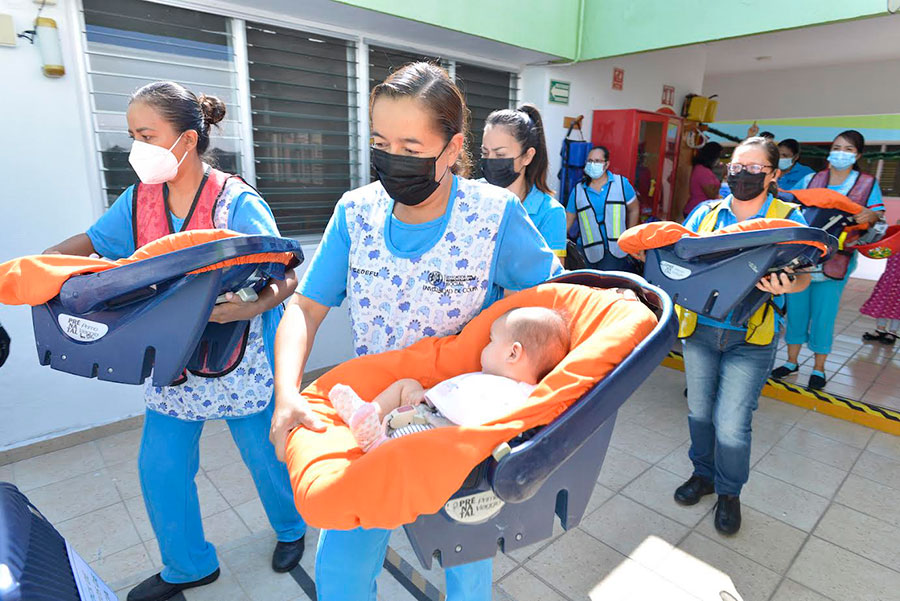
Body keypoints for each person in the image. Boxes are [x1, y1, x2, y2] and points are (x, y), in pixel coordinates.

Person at [269, 62, 562, 601]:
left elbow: (557, 306)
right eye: (381, 142)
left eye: (410, 145)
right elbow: (304, 309)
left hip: (458, 428)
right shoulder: (355, 211)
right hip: (376, 419)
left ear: (451, 149)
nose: (391, 160)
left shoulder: (493, 216)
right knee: (342, 570)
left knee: (465, 567)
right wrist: (287, 392)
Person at [43, 81, 307, 601]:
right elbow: (93, 242)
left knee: (264, 457)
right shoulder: (139, 199)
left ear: (186, 140)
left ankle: (292, 529)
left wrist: (255, 304)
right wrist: (35, 267)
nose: (135, 146)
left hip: (237, 359)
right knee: (160, 468)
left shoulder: (236, 201)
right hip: (171, 360)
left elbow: (288, 274)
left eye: (146, 134)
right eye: (131, 134)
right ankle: (188, 566)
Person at [673, 137, 811, 535]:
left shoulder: (789, 218)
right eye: (737, 167)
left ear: (773, 175)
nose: (743, 174)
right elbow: (683, 260)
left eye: (754, 168)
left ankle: (729, 493)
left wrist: (788, 285)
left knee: (732, 422)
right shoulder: (705, 214)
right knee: (699, 412)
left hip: (751, 337)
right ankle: (703, 476)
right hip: (700, 330)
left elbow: (803, 276)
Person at [330, 307, 570, 451]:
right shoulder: (490, 376)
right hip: (426, 410)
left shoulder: (521, 395)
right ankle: (369, 413)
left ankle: (376, 442)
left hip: (439, 431)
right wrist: (425, 396)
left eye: (491, 340)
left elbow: (490, 430)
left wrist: (436, 415)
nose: (484, 347)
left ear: (513, 353)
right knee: (407, 384)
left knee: (414, 445)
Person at [774, 130, 884, 389]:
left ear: (857, 155)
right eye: (837, 147)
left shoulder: (867, 184)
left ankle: (819, 368)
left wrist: (868, 216)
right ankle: (791, 361)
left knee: (824, 314)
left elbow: (877, 219)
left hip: (838, 260)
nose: (841, 153)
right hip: (802, 258)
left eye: (848, 149)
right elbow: (793, 209)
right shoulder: (813, 179)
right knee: (796, 310)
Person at [481, 104, 566, 259]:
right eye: (485, 153)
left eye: (500, 155)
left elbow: (554, 278)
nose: (491, 161)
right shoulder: (472, 196)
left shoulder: (550, 212)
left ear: (527, 156)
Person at [565, 145, 640, 271]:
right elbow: (568, 220)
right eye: (590, 161)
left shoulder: (621, 184)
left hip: (615, 250)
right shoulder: (578, 190)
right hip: (587, 250)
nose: (593, 164)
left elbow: (634, 209)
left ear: (606, 164)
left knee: (606, 287)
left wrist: (630, 237)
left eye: (597, 161)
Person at [860, 253, 900, 345]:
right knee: (883, 301)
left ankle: (892, 331)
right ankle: (880, 329)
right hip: (890, 276)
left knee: (897, 305)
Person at [682, 142, 723, 217]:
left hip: (700, 210)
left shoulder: (703, 169)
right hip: (697, 211)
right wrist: (720, 180)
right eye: (718, 156)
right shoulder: (702, 171)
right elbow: (712, 194)